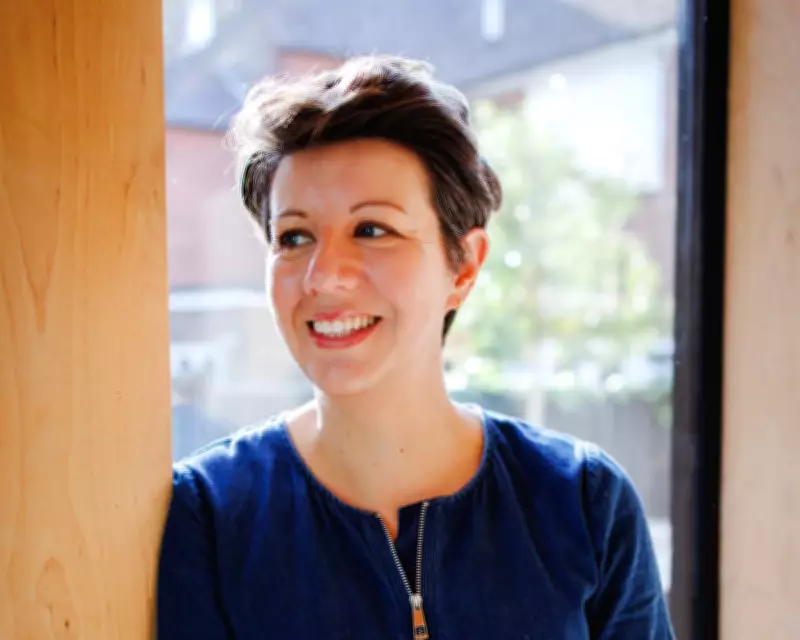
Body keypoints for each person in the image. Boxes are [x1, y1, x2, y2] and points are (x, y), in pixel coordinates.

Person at [157, 55, 675, 639]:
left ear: (464, 266)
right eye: (294, 237)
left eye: (372, 229)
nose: (324, 277)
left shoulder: (583, 500)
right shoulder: (210, 512)